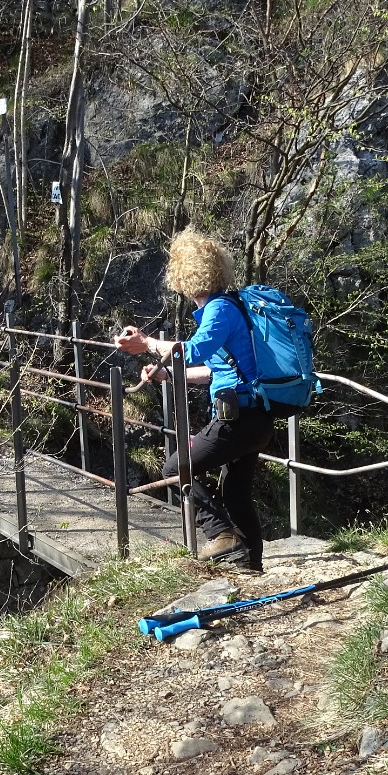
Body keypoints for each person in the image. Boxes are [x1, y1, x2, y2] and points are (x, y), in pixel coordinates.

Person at [116, 230, 276, 573]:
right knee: (234, 491)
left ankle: (221, 534)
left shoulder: (219, 309)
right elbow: (213, 371)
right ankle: (250, 564)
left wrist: (147, 342)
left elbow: (193, 351)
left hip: (238, 418)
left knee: (176, 468)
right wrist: (168, 377)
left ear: (184, 275)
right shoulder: (233, 306)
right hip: (256, 416)